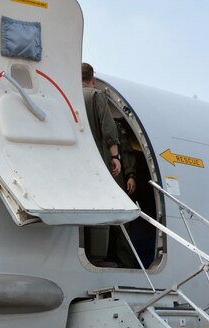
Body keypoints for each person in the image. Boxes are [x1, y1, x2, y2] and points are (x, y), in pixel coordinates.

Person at [82, 62, 121, 265]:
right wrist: (115, 157)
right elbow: (108, 128)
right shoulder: (96, 96)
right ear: (93, 80)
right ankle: (97, 256)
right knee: (101, 207)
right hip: (95, 161)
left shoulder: (66, 97)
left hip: (74, 165)